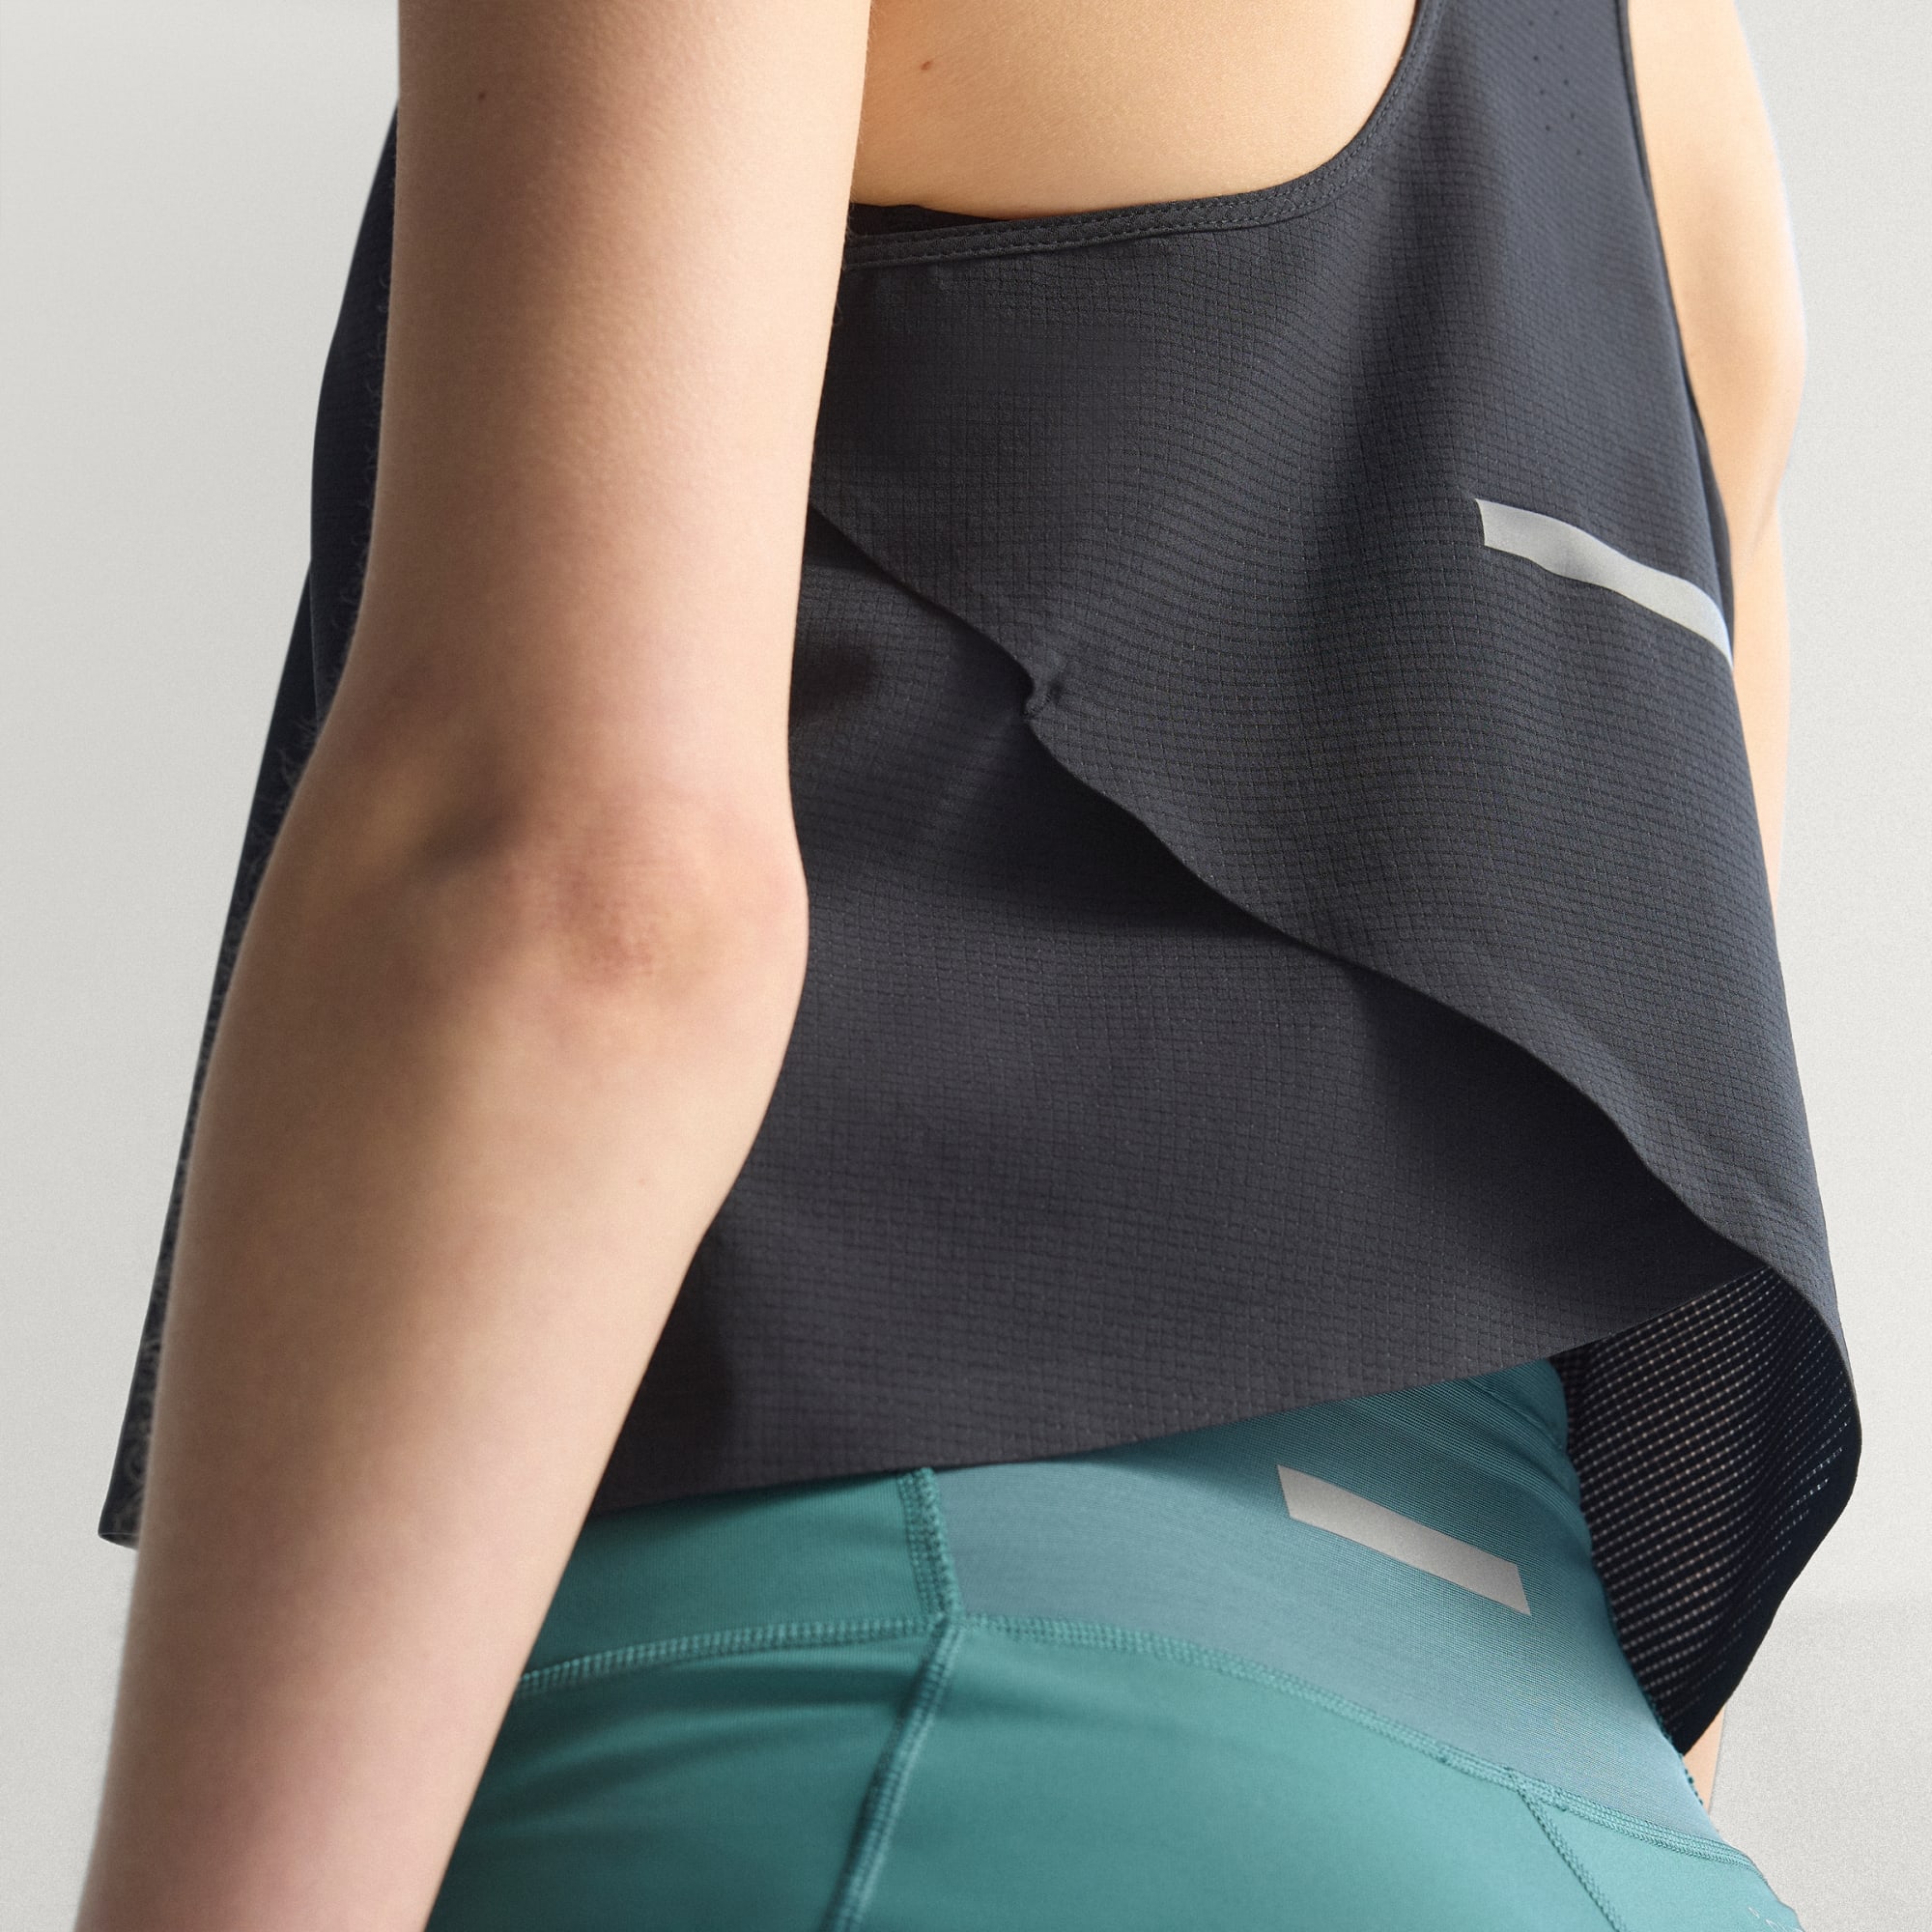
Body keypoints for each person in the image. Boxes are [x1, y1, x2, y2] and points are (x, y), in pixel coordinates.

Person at [76, 0, 1857, 1926]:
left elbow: (581, 894)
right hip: (1614, 1841)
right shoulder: (1694, 127)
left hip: (883, 1734)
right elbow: (1679, 1244)